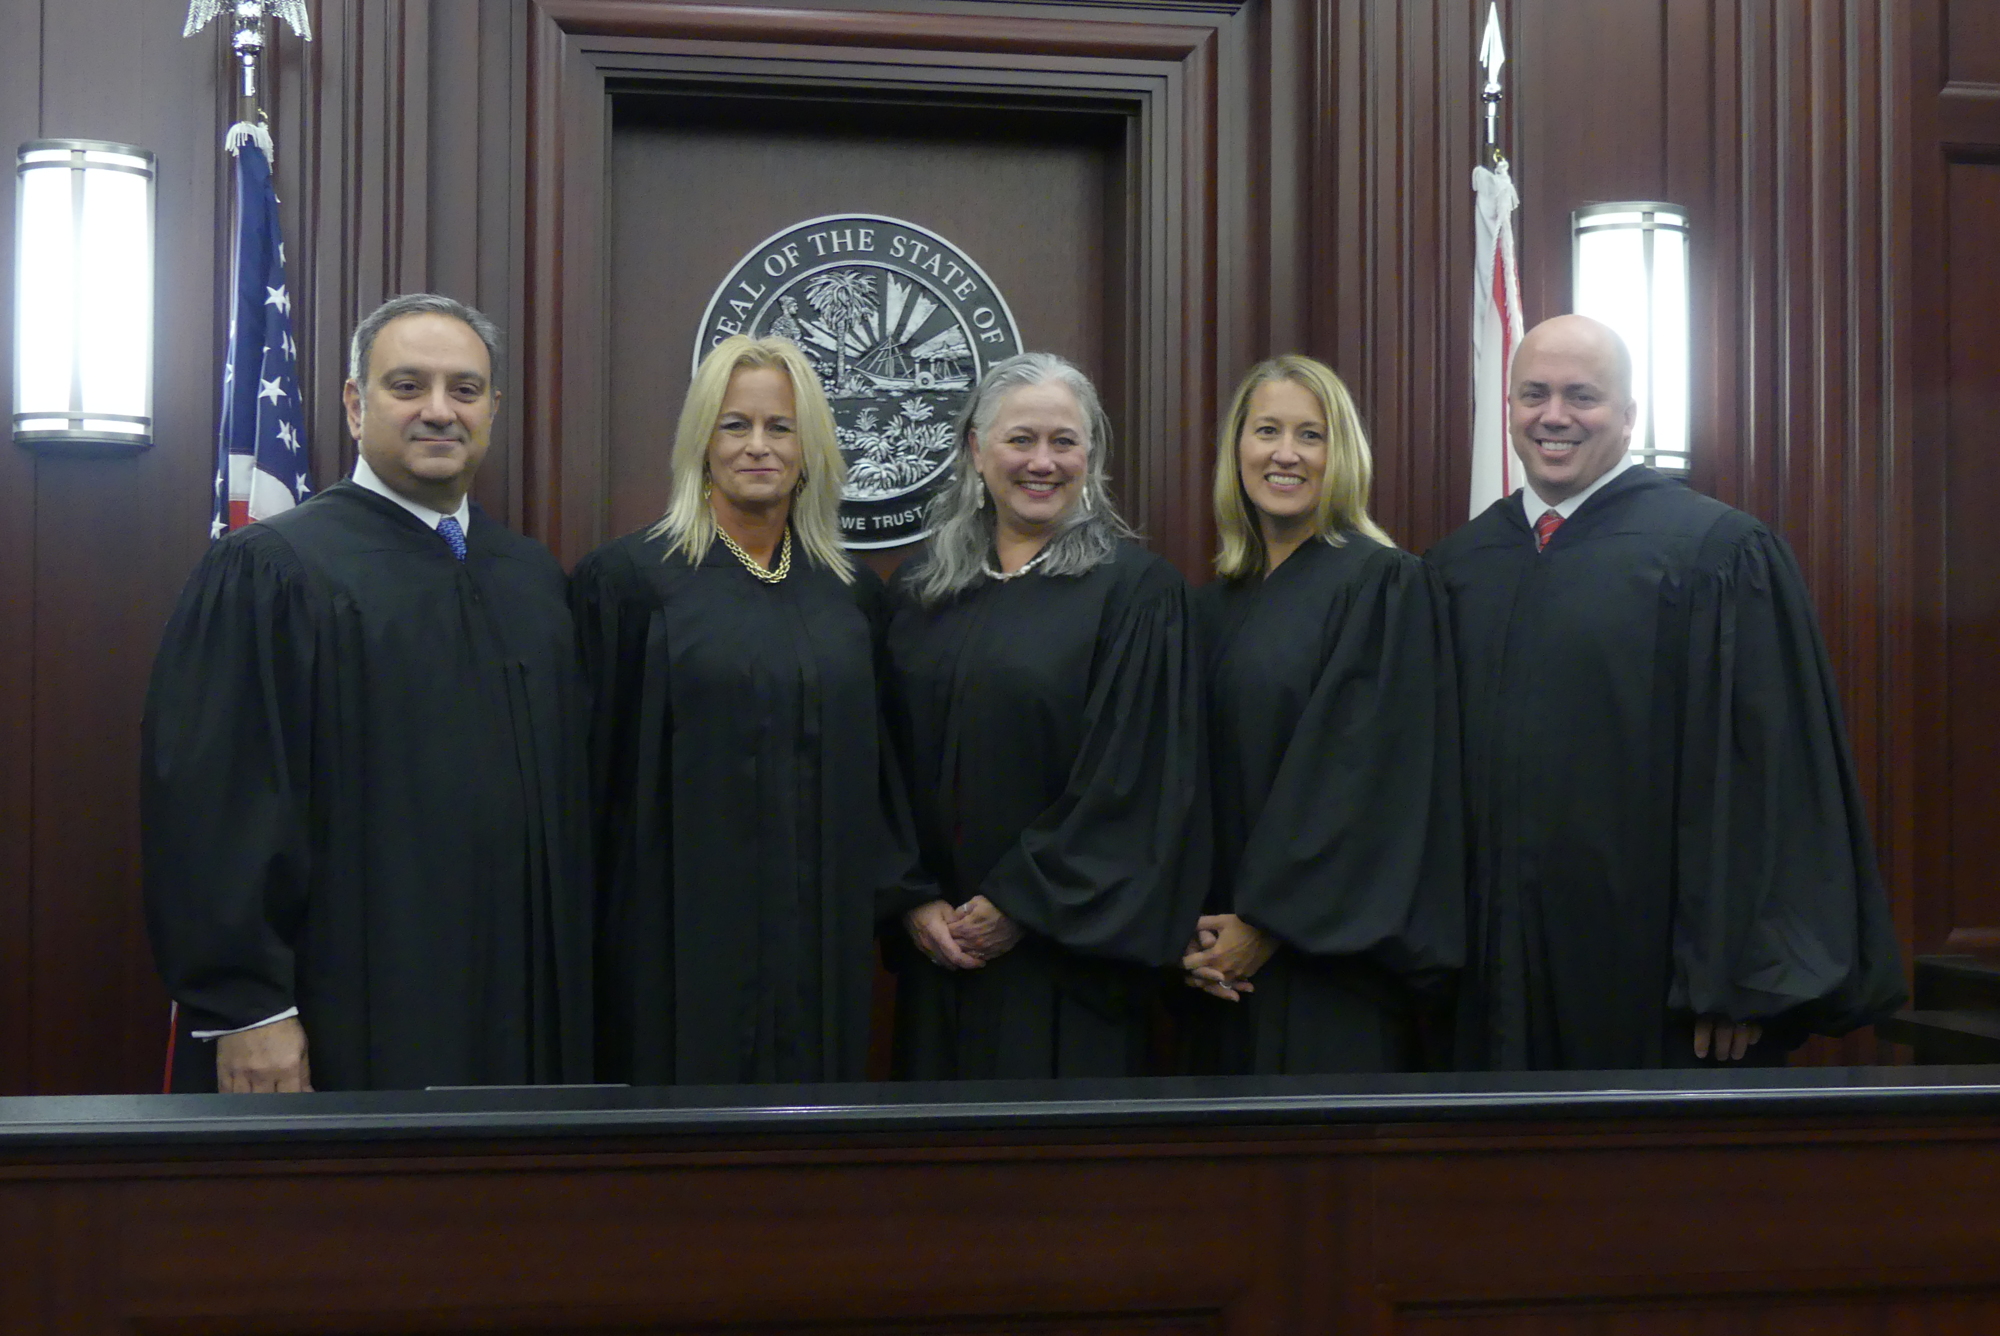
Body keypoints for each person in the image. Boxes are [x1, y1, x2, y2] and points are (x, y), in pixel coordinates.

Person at [1425, 314, 1905, 1070]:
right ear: (1509, 408)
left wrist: (1738, 977)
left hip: (1654, 985)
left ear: (1628, 415)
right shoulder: (1459, 565)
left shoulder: (1715, 554)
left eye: (1582, 396)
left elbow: (1763, 780)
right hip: (1489, 977)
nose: (1555, 416)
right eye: (1534, 394)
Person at [143, 293, 593, 1093]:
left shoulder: (530, 580)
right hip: (346, 1010)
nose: (438, 411)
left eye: (464, 389)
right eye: (407, 385)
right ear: (355, 404)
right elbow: (216, 807)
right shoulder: (275, 570)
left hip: (520, 1013)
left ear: (493, 408)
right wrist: (250, 1010)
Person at [571, 335, 924, 1085]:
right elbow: (592, 783)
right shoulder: (629, 582)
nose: (757, 446)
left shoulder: (850, 595)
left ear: (810, 448)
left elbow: (880, 778)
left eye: (779, 427)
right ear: (702, 440)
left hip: (817, 935)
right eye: (735, 425)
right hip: (672, 933)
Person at [881, 352, 1207, 1080]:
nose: (1043, 462)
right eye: (1020, 439)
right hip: (939, 958)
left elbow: (1135, 778)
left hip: (1070, 966)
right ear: (975, 448)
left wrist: (1019, 904)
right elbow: (881, 765)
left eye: (1065, 441)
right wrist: (912, 899)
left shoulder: (1136, 593)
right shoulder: (920, 590)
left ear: (1091, 455)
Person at [1179, 355, 1462, 1074]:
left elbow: (1365, 777)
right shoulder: (1211, 605)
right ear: (1236, 448)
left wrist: (1266, 923)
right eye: (1266, 430)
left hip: (1329, 969)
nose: (1285, 454)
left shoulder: (1382, 583)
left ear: (1342, 455)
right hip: (1208, 965)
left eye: (1311, 435)